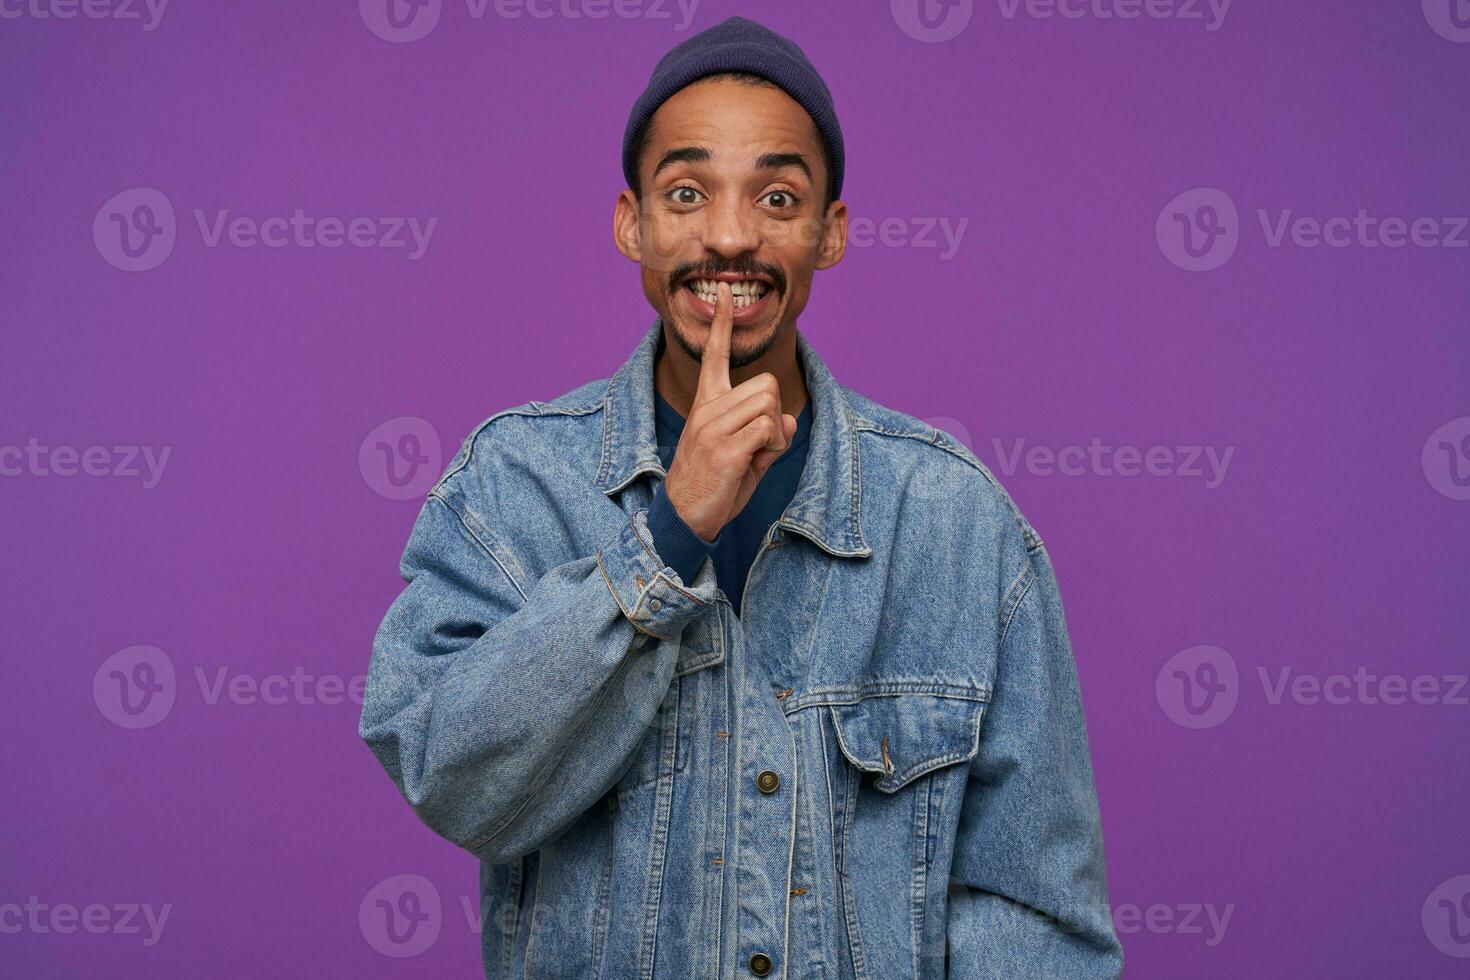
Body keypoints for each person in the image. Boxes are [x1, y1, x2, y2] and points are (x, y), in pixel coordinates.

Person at [360, 15, 1123, 978]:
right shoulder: (510, 489)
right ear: (632, 223)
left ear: (828, 233)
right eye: (687, 193)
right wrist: (666, 540)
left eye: (776, 195)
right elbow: (453, 781)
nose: (729, 236)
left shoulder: (958, 524)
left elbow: (1035, 917)